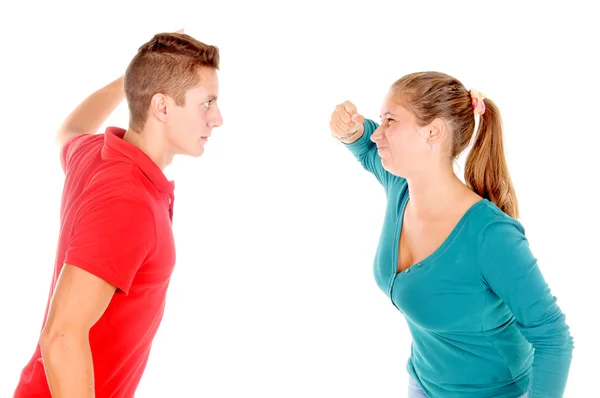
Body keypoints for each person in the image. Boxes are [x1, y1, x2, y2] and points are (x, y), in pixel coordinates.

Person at [329, 71, 573, 397]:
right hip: (423, 383)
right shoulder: (402, 187)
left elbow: (552, 337)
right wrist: (352, 131)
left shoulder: (490, 235)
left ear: (433, 131)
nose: (378, 134)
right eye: (380, 120)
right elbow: (366, 146)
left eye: (390, 120)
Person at [13, 29, 223, 397]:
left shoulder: (95, 155)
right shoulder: (128, 201)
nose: (217, 118)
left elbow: (70, 129)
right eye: (207, 102)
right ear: (161, 107)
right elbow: (61, 335)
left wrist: (132, 79)